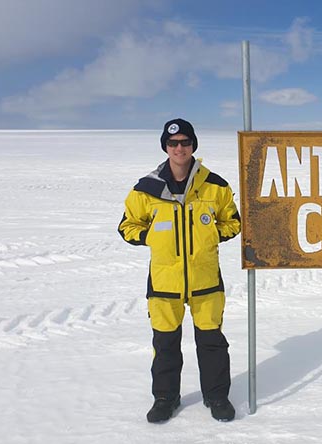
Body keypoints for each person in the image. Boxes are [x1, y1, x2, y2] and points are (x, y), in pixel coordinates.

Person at [118, 118, 241, 423]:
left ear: (193, 146)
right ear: (165, 147)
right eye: (173, 143)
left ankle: (216, 396)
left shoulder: (215, 185)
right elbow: (126, 226)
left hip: (206, 280)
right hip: (164, 283)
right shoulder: (146, 188)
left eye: (185, 142)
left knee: (211, 342)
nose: (179, 148)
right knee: (165, 343)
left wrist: (211, 233)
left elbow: (233, 222)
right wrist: (150, 237)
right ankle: (165, 398)